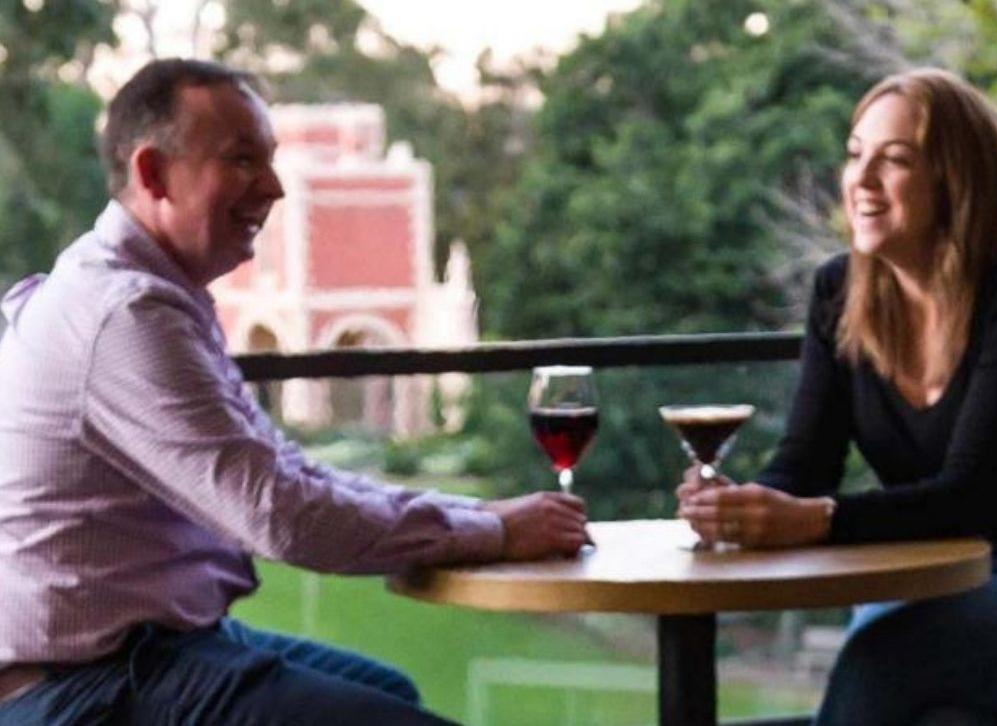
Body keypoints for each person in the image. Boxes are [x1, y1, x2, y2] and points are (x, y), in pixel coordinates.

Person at [0, 58, 590, 726]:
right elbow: (281, 514)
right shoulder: (126, 315)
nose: (275, 187)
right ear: (153, 173)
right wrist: (487, 532)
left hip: (152, 647)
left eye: (271, 159)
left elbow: (285, 470)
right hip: (85, 688)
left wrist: (476, 513)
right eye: (242, 159)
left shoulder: (152, 293)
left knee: (387, 689)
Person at [677, 68, 997, 724]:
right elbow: (804, 465)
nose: (860, 180)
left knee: (880, 660)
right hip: (922, 577)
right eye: (854, 154)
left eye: (893, 160)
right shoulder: (838, 291)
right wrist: (741, 506)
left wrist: (810, 518)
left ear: (955, 182)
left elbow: (971, 495)